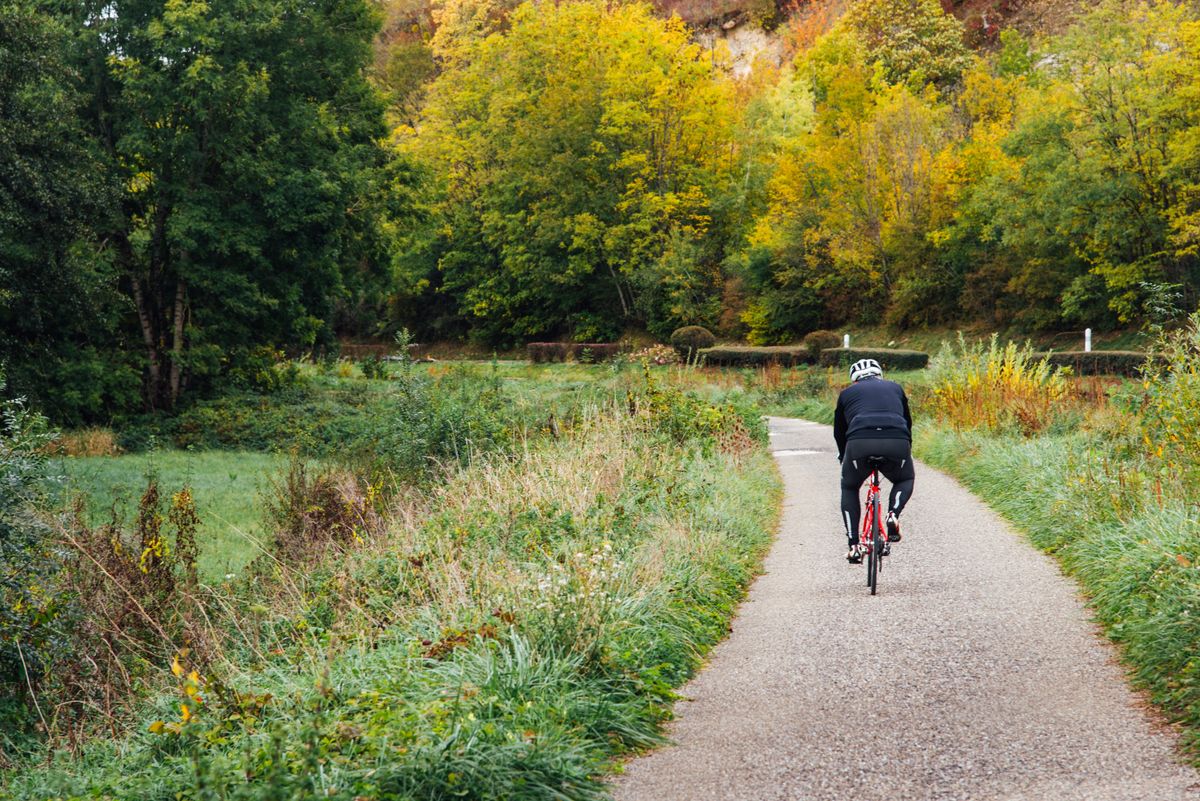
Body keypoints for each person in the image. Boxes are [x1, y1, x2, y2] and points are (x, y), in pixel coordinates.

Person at [833, 358, 914, 564]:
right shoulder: (895, 388)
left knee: (850, 487)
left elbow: (839, 431)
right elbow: (907, 421)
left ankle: (853, 546)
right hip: (897, 440)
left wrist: (844, 457)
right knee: (904, 479)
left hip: (859, 442)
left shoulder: (846, 394)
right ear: (879, 375)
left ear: (854, 380)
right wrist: (905, 449)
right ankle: (893, 514)